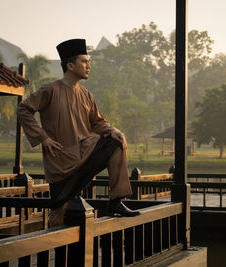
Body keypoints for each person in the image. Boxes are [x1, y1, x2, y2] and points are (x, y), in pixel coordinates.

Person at [17, 39, 140, 227]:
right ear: (70, 65)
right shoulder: (50, 89)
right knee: (60, 208)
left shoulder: (86, 94)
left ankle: (115, 201)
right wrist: (44, 138)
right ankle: (54, 247)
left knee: (116, 141)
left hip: (85, 153)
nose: (88, 66)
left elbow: (97, 122)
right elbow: (23, 109)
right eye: (84, 61)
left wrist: (112, 130)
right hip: (60, 160)